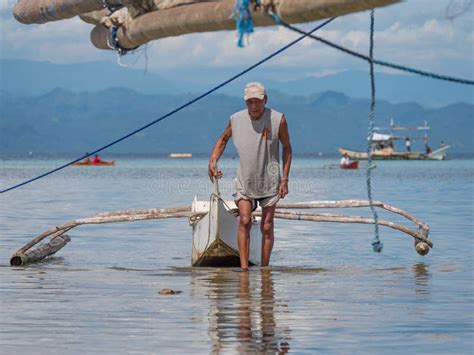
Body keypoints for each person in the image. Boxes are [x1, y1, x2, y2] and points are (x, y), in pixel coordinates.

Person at [208, 82, 292, 271]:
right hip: (245, 181)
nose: (254, 106)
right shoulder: (236, 119)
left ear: (265, 100)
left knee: (267, 226)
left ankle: (264, 269)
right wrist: (212, 161)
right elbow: (223, 139)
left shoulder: (279, 120)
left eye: (257, 102)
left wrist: (285, 179)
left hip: (270, 181)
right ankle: (244, 270)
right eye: (250, 102)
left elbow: (287, 148)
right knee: (244, 220)